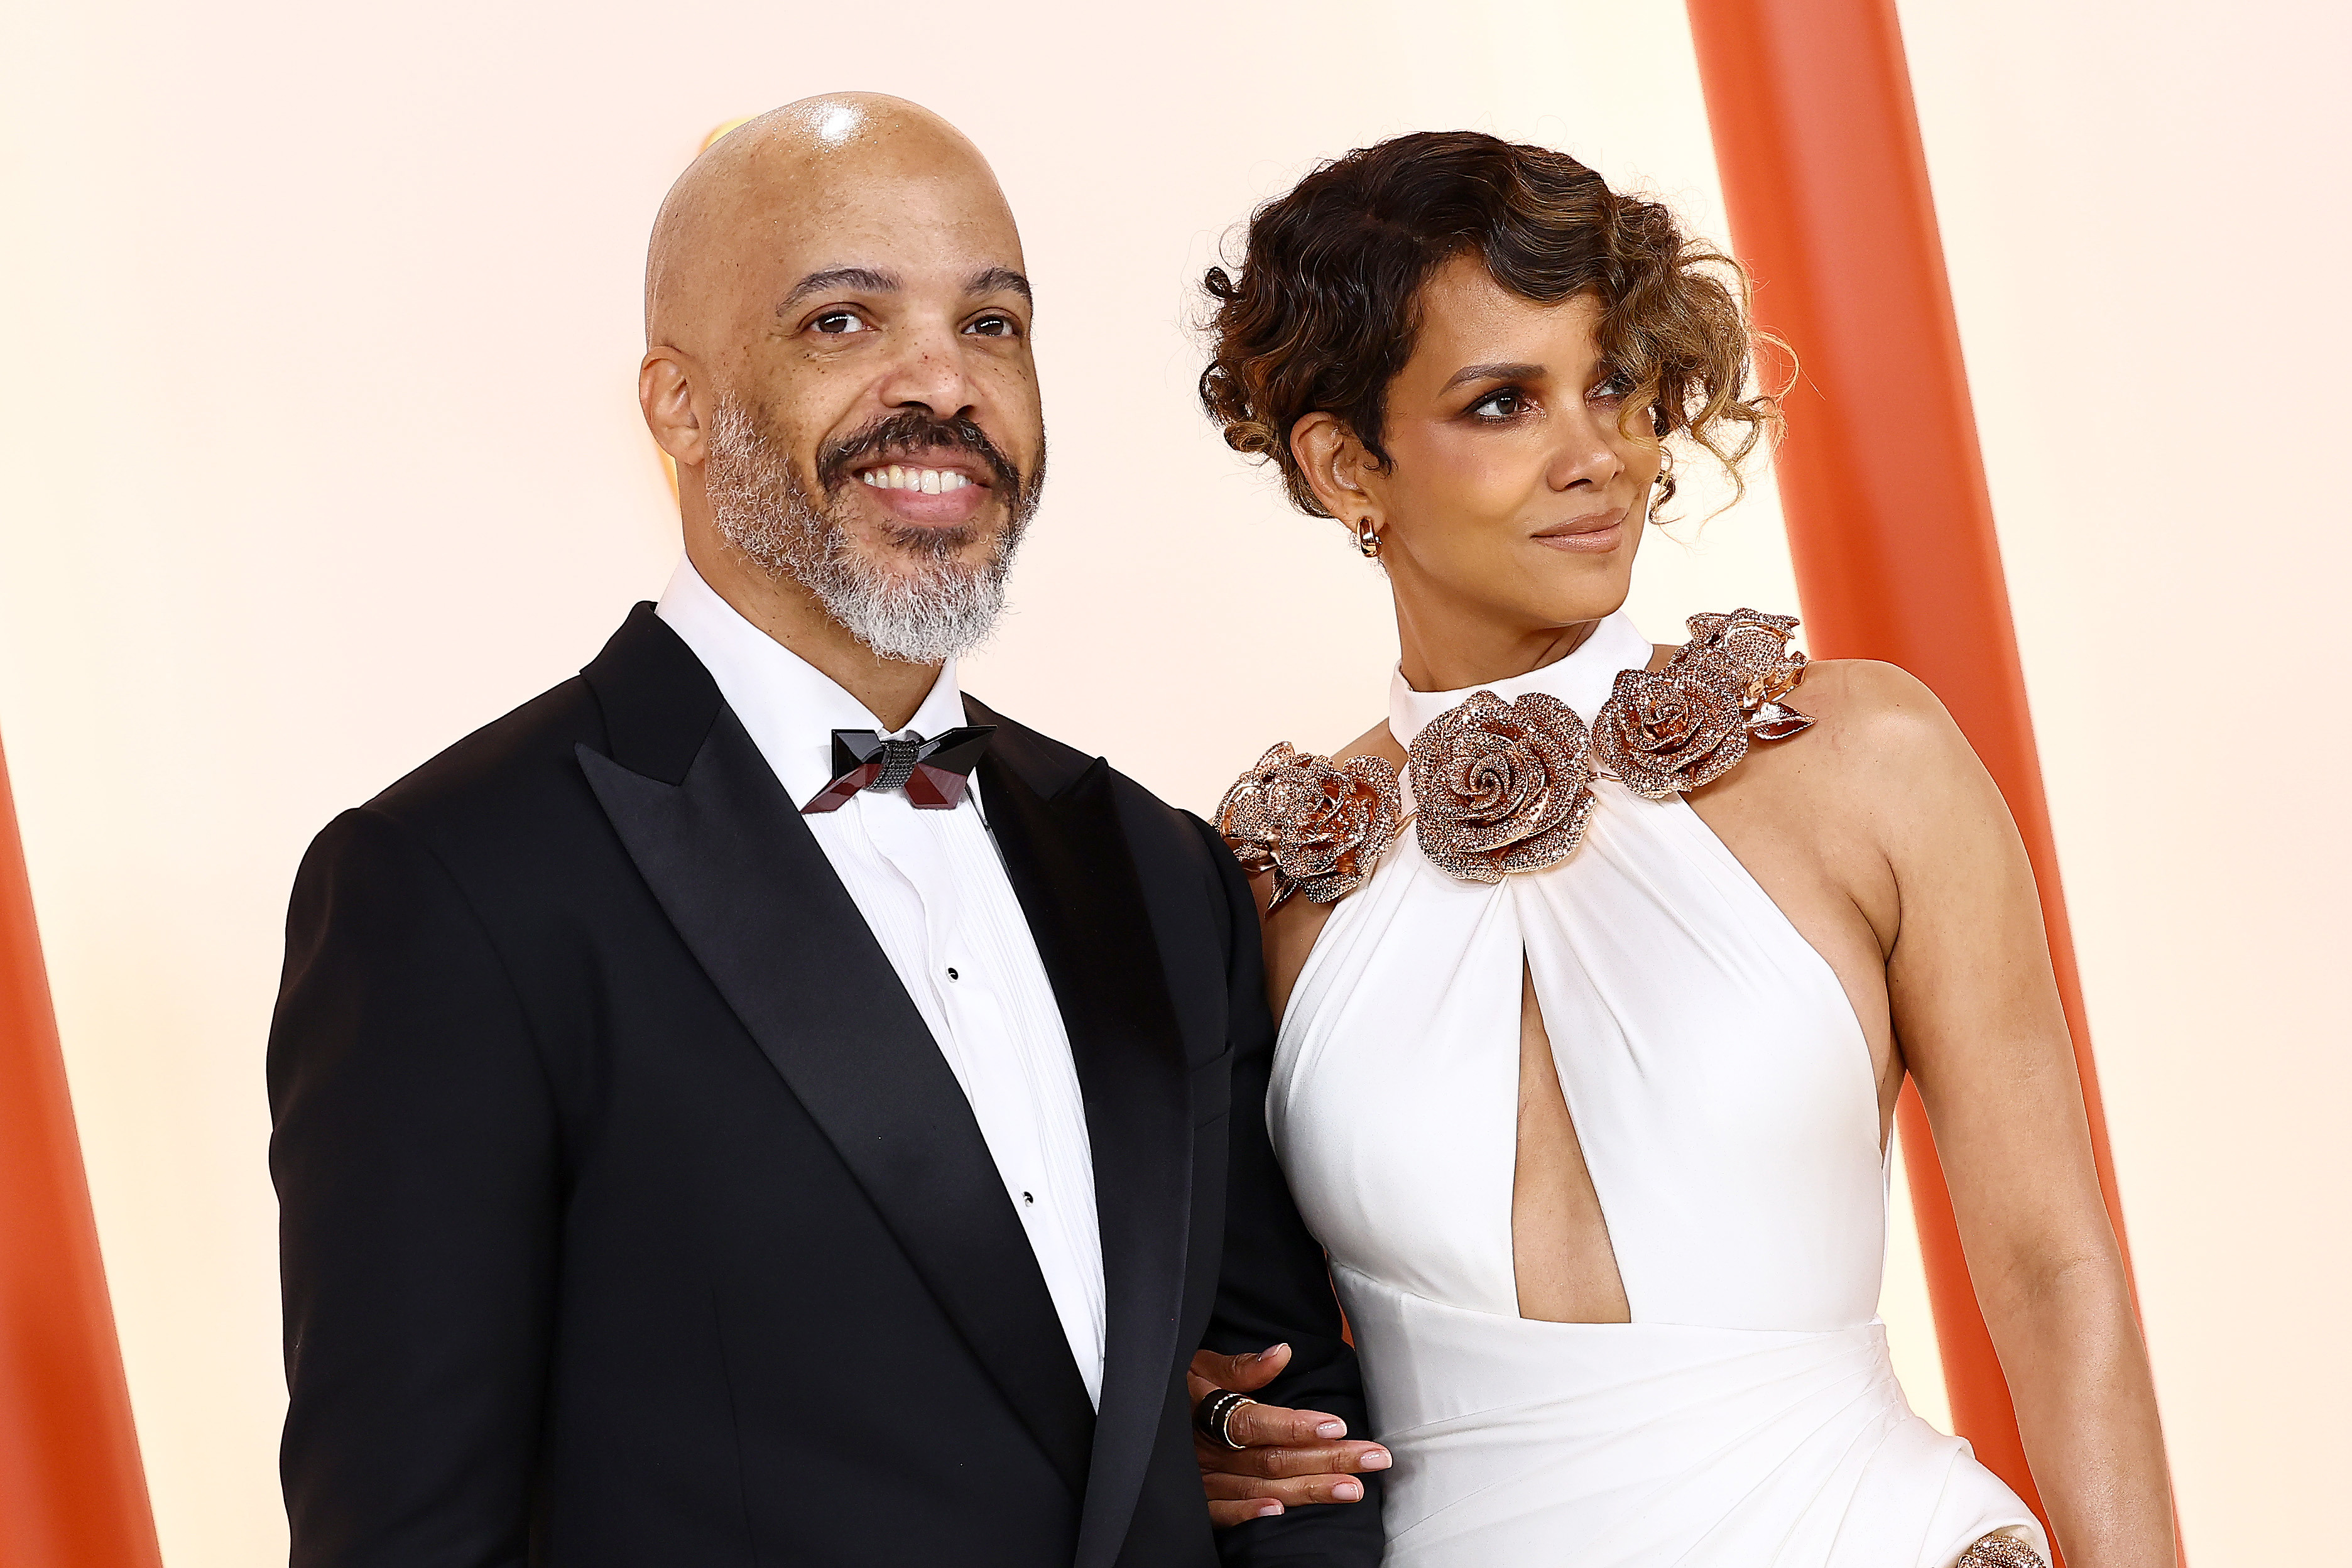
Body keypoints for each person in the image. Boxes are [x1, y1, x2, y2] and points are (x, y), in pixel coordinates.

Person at [266, 94, 1385, 1567]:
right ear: (676, 403)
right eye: (843, 322)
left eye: (993, 325)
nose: (944, 385)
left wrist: (1233, 1440)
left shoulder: (1155, 862)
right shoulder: (452, 882)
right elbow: (405, 1527)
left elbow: (1292, 1419)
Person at [1190, 131, 2177, 1567]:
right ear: (1349, 466)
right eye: (1504, 402)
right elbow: (1214, 1333)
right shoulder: (1270, 873)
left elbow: (2050, 1264)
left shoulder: (1863, 757)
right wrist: (1205, 1431)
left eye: (1612, 384)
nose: (1598, 456)